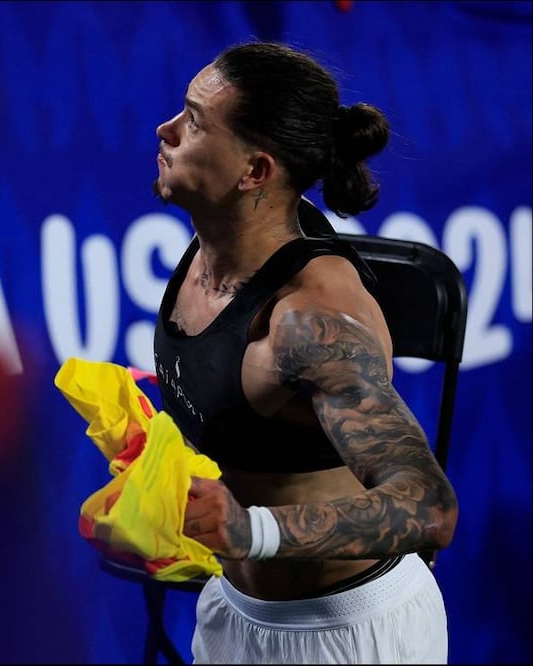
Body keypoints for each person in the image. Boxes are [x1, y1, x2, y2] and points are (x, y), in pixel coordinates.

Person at [150, 42, 458, 664]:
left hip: (346, 633)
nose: (167, 130)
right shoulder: (219, 240)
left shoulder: (310, 318)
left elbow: (429, 507)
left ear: (255, 172)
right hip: (234, 607)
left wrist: (249, 530)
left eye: (195, 120)